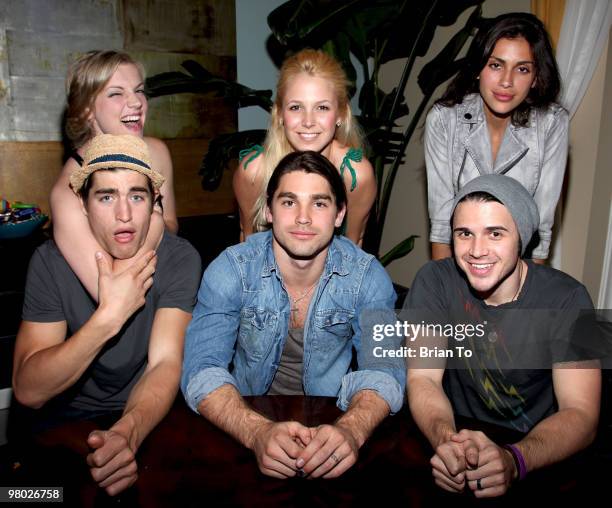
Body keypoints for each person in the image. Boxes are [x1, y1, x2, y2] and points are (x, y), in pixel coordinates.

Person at [183, 150, 404, 479]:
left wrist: (351, 431)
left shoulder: (367, 277)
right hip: (244, 419)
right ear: (269, 211)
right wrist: (256, 432)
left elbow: (385, 369)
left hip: (333, 421)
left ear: (340, 213)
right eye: (288, 202)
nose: (303, 218)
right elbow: (201, 369)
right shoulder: (232, 270)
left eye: (319, 203)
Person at [12, 134, 201, 496]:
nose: (124, 214)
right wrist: (109, 317)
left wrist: (127, 431)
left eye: (136, 195)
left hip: (146, 414)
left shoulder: (180, 259)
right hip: (63, 423)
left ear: (154, 202)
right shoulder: (50, 263)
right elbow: (28, 389)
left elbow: (165, 363)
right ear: (82, 206)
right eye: (106, 196)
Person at [404, 174, 600, 497]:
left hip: (537, 455)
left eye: (495, 233)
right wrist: (447, 442)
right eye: (464, 234)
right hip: (455, 441)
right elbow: (423, 378)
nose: (477, 250)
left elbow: (581, 414)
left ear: (521, 238)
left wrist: (514, 459)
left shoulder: (569, 299)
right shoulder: (434, 282)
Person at [425, 12, 567, 262]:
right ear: (478, 68)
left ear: (535, 78)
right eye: (495, 65)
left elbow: (541, 231)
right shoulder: (444, 120)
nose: (506, 81)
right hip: (461, 264)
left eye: (522, 69)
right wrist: (446, 295)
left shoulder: (551, 124)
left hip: (517, 268)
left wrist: (526, 298)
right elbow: (440, 226)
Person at [51, 50, 178, 300]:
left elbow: (172, 223)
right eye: (117, 93)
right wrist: (154, 220)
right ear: (87, 109)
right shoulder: (68, 190)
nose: (136, 102)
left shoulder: (157, 153)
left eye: (139, 90)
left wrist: (156, 226)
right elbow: (113, 295)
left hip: (164, 286)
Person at [233, 49, 376, 246]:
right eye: (296, 107)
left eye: (322, 107)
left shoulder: (355, 176)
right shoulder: (255, 172)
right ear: (280, 114)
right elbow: (247, 247)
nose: (308, 121)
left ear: (341, 115)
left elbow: (353, 250)